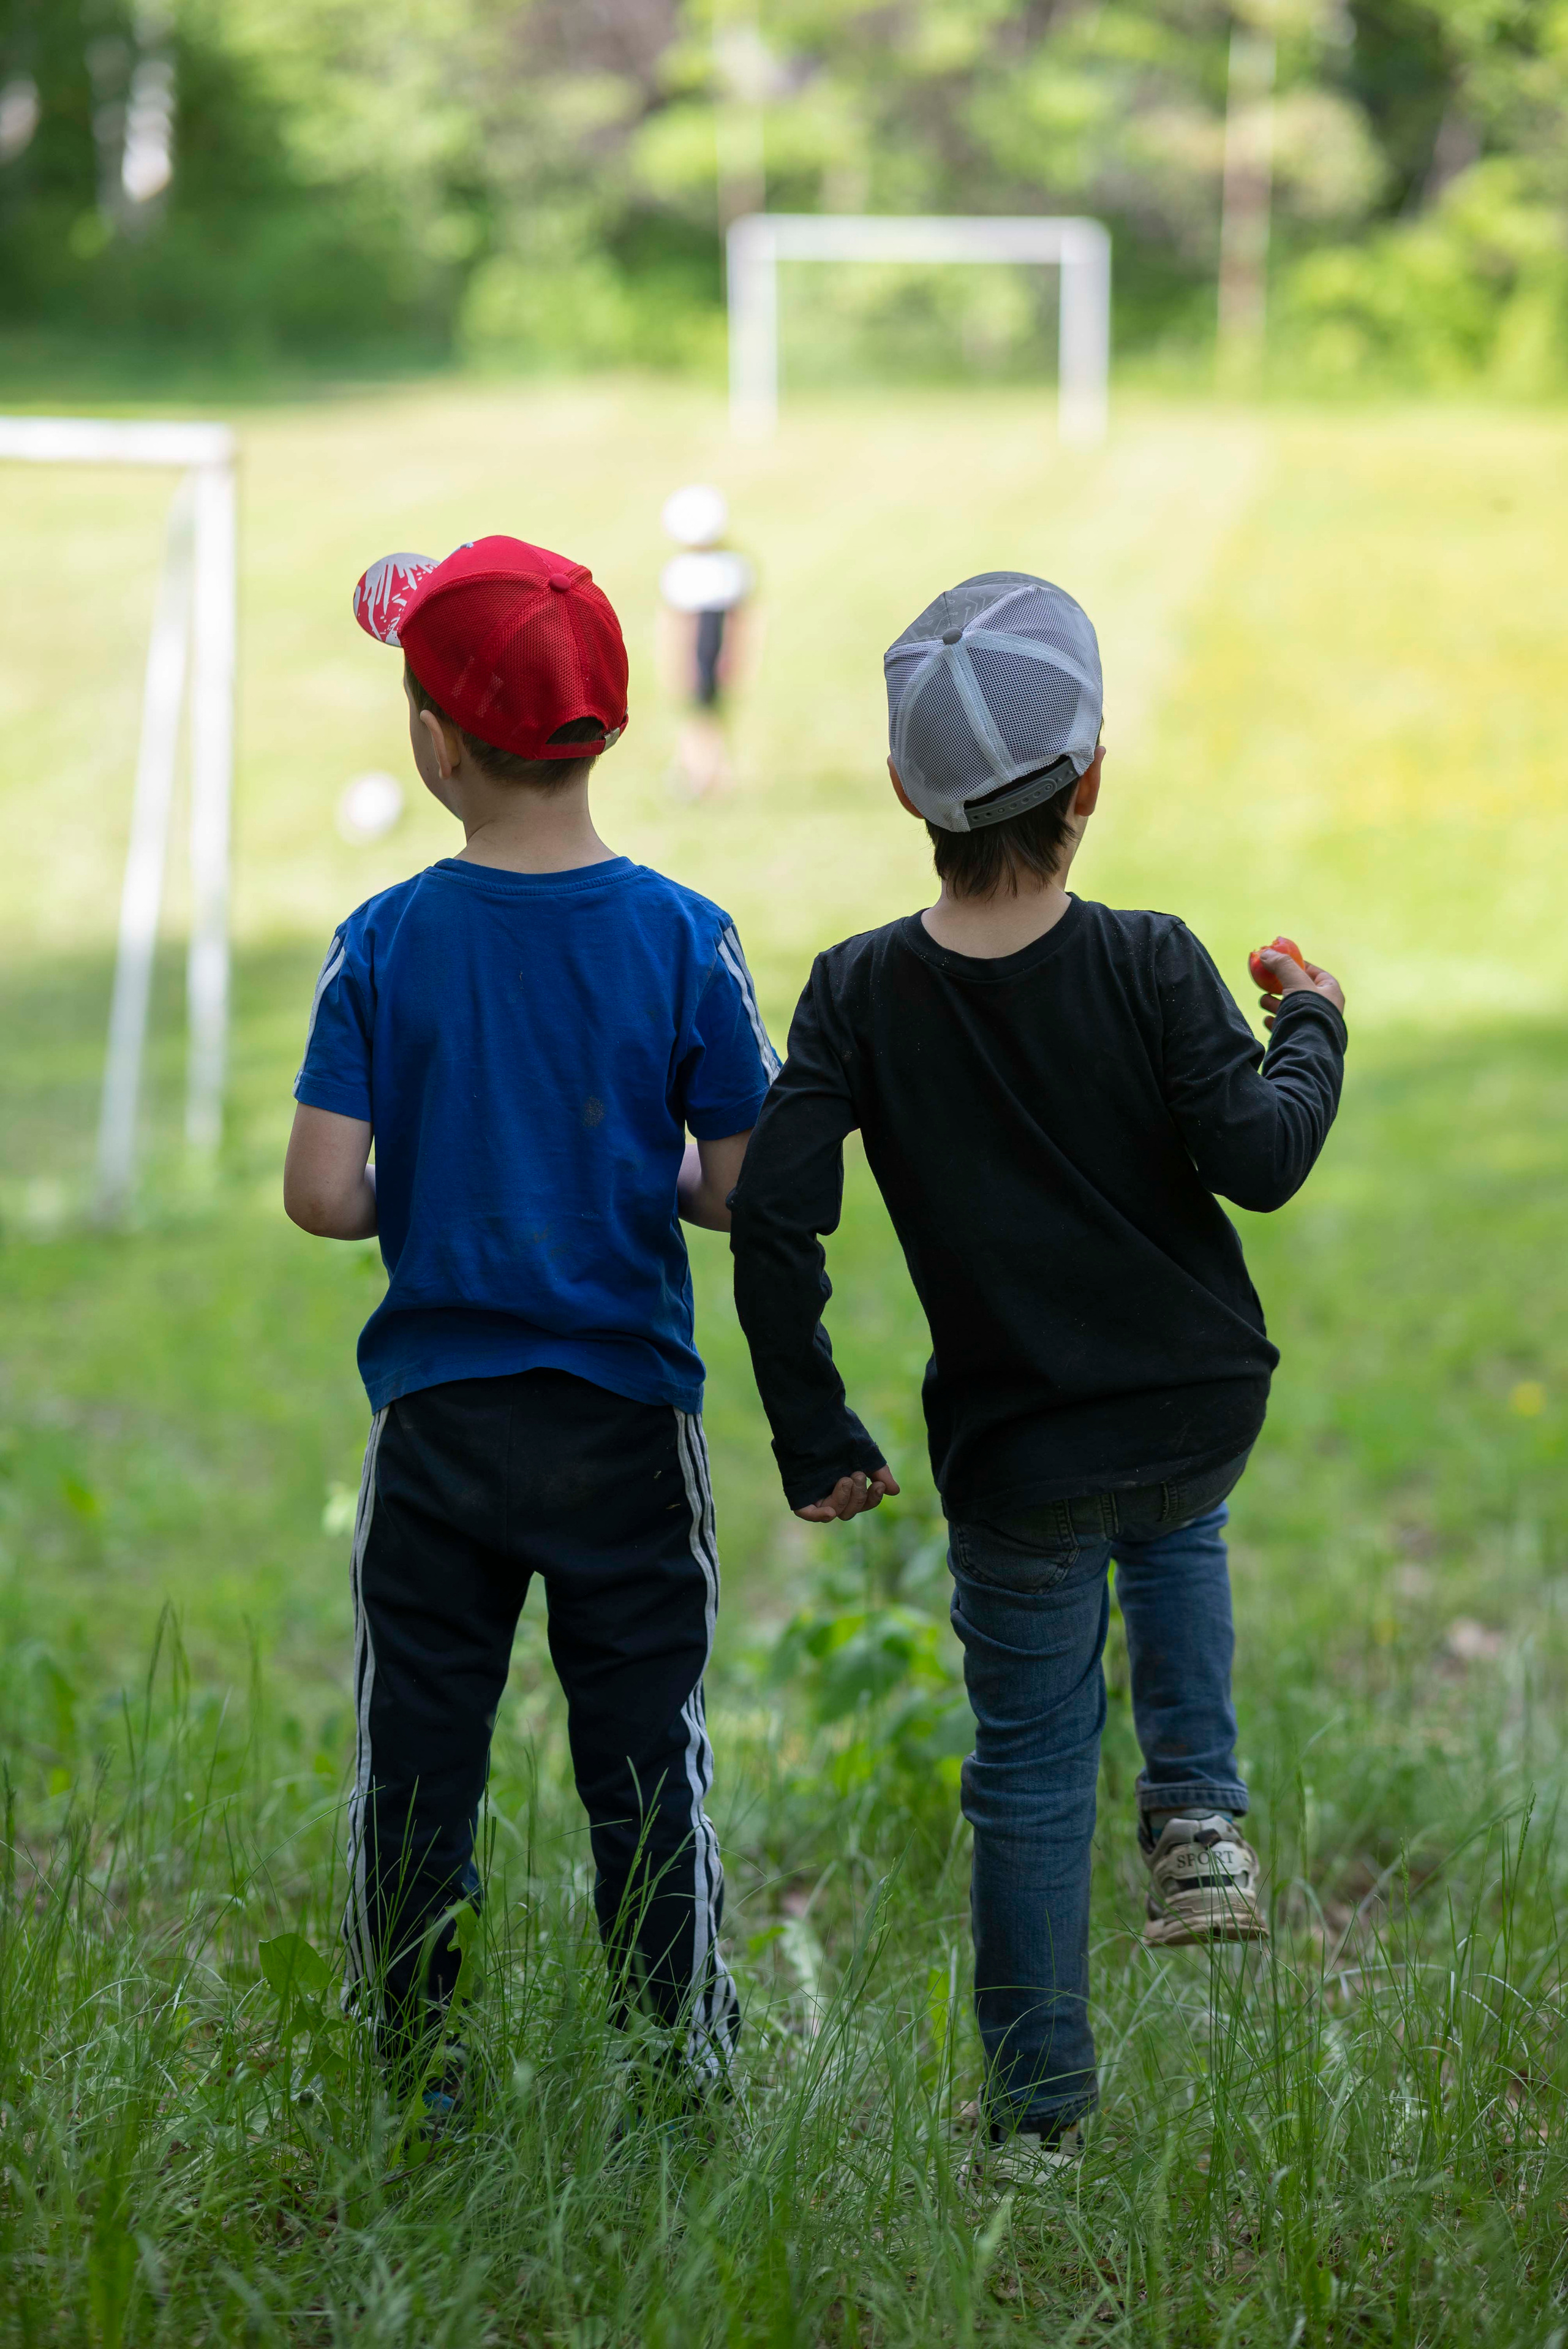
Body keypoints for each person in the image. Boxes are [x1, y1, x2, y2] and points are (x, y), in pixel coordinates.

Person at [728, 572, 1346, 2177]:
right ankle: (1200, 1810)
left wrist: (815, 1425)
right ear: (1090, 783)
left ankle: (1037, 2123)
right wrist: (1316, 1027)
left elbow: (774, 1214)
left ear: (901, 797)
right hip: (1192, 1401)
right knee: (1181, 1524)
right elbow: (1264, 1160)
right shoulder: (1151, 961)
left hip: (1015, 1455)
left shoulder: (859, 991)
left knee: (1027, 1773)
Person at [283, 536, 778, 2111]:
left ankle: (415, 2061)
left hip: (437, 1418)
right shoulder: (682, 932)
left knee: (417, 1755)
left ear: (433, 742)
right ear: (613, 721)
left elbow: (319, 1192)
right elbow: (733, 1187)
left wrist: (426, 1184)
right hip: (626, 1414)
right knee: (645, 1751)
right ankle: (675, 2057)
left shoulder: (382, 938)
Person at [656, 483, 755, 800]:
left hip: (710, 652)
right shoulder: (719, 568)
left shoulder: (726, 569)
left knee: (706, 713)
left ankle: (705, 772)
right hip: (698, 653)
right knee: (700, 713)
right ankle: (703, 770)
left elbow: (737, 620)